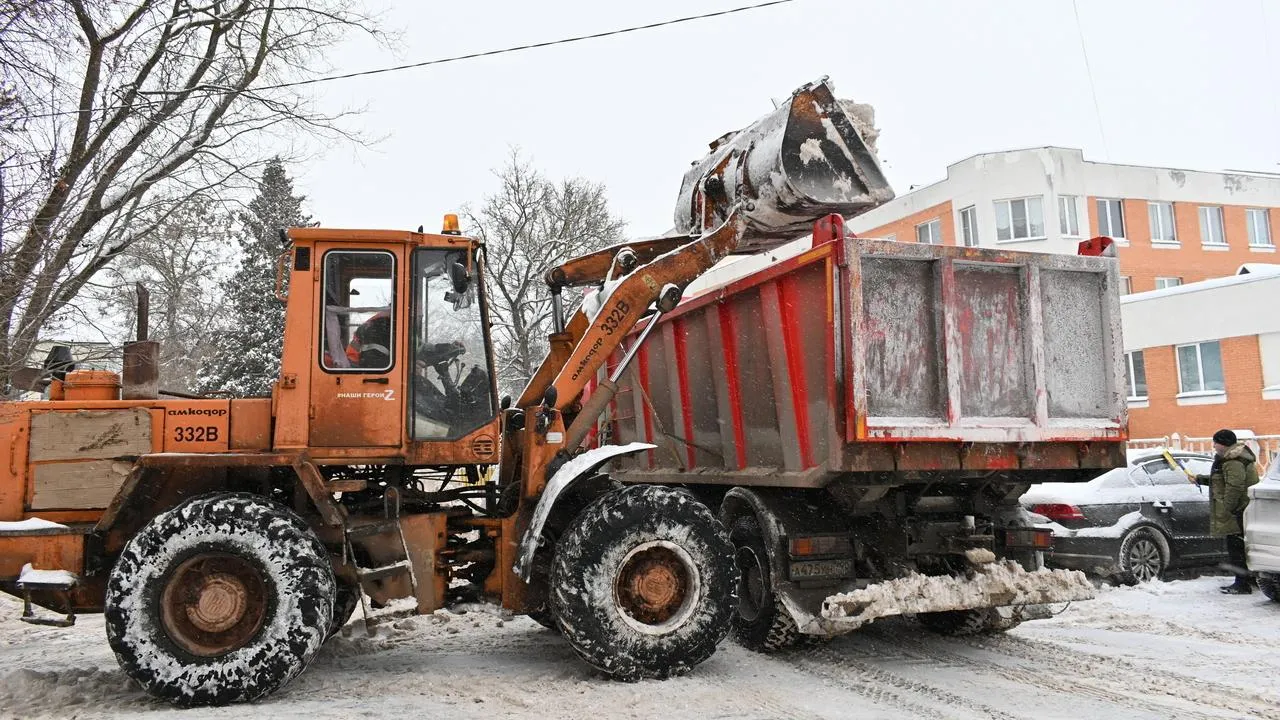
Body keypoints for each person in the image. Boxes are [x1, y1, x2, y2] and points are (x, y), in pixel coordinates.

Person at [1196, 429, 1261, 594]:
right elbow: (1222, 480)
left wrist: (1228, 507)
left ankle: (1242, 584)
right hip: (1242, 509)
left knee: (1236, 548)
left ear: (1223, 443)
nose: (1214, 446)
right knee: (1240, 547)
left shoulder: (1233, 460)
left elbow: (1235, 485)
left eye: (1215, 442)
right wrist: (1200, 479)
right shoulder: (1234, 457)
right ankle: (1248, 580)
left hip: (1238, 511)